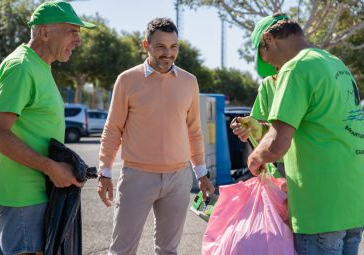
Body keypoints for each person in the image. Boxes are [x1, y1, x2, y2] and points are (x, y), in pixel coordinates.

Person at [238, 13, 364, 254]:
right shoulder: (335, 64)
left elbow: (276, 145)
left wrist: (254, 159)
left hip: (319, 207)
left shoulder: (296, 68)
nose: (271, 65)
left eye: (264, 55)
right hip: (353, 200)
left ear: (269, 39)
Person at [0, 1, 96, 254]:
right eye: (72, 31)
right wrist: (52, 168)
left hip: (36, 190)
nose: (78, 40)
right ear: (45, 32)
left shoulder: (40, 66)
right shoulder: (21, 67)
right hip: (22, 193)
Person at [97, 17, 215, 255]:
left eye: (173, 47)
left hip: (179, 180)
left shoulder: (189, 82)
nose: (168, 53)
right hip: (136, 177)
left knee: (168, 250)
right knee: (122, 250)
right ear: (146, 45)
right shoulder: (127, 80)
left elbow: (194, 130)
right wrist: (104, 172)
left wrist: (201, 174)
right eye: (160, 47)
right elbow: (113, 129)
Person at [231, 75, 286, 177]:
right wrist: (255, 131)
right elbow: (262, 129)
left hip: (314, 167)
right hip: (279, 170)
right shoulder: (268, 83)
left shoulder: (316, 75)